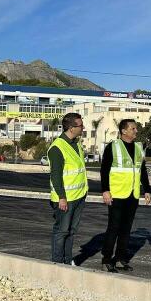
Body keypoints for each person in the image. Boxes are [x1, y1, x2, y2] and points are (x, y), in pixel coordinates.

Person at [100, 119, 151, 272]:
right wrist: (105, 190)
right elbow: (104, 170)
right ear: (124, 131)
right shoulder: (113, 147)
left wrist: (147, 190)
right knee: (114, 228)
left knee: (126, 229)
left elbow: (142, 170)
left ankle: (121, 258)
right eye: (133, 128)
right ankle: (106, 260)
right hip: (116, 194)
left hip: (132, 194)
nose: (136, 131)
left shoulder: (138, 147)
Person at [48, 112, 88, 265]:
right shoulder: (57, 148)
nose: (83, 128)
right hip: (65, 199)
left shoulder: (76, 144)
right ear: (71, 128)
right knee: (61, 232)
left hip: (79, 196)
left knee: (71, 231)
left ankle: (67, 260)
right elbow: (56, 176)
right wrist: (61, 197)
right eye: (80, 125)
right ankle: (57, 263)